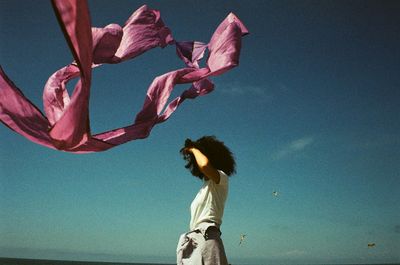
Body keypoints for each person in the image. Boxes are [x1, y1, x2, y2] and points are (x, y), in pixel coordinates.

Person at [177, 136, 236, 265]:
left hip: (207, 236)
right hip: (195, 240)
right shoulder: (205, 187)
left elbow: (204, 165)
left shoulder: (222, 179)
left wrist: (193, 149)